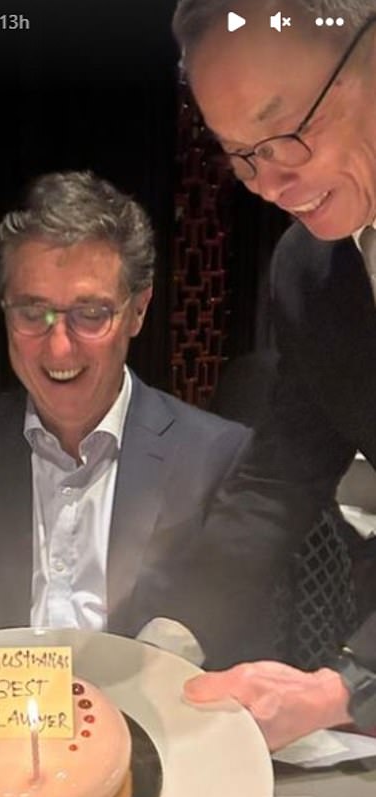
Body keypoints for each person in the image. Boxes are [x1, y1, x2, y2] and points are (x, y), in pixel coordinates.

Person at [0, 171, 249, 653]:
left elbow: (241, 649)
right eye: (31, 312)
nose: (59, 349)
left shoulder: (217, 459)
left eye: (90, 315)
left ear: (138, 310)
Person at [171, 0, 376, 749]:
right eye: (240, 153)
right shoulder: (307, 271)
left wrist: (344, 687)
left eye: (287, 129)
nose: (269, 182)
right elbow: (279, 476)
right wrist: (171, 639)